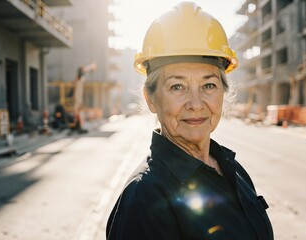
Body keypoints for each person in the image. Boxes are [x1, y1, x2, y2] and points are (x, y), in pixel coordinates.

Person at [106, 2, 274, 240]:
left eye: (208, 85)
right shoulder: (143, 200)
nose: (196, 103)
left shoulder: (233, 169)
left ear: (223, 93)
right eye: (177, 86)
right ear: (151, 99)